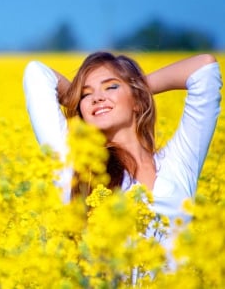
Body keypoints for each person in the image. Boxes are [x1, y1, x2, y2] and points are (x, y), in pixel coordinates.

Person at [23, 52, 222, 264]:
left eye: (111, 87)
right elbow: (36, 73)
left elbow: (204, 69)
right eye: (86, 94)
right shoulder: (74, 162)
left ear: (138, 101)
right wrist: (87, 98)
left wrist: (139, 90)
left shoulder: (178, 164)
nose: (97, 97)